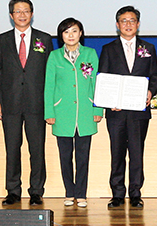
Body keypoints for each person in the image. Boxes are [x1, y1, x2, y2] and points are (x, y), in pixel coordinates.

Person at [0, 0, 54, 206]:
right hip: (10, 103)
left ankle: (36, 190)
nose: (22, 15)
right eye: (18, 11)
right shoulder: (1, 40)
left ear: (32, 14)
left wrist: (50, 102)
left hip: (37, 103)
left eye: (26, 11)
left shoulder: (44, 39)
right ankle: (13, 190)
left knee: (37, 149)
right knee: (12, 148)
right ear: (11, 16)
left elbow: (50, 73)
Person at [98, 6, 157, 209]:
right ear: (117, 25)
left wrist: (150, 91)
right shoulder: (108, 49)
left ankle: (135, 193)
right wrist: (109, 100)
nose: (128, 24)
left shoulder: (148, 48)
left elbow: (155, 76)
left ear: (138, 24)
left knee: (136, 153)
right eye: (124, 21)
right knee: (117, 153)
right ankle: (117, 193)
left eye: (132, 20)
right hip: (116, 112)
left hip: (139, 112)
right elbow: (103, 78)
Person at [44, 18, 103, 208]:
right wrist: (49, 111)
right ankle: (69, 192)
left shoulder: (90, 54)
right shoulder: (54, 56)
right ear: (61, 35)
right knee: (65, 156)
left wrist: (98, 108)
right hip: (62, 113)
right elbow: (49, 86)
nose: (71, 35)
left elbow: (96, 83)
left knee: (83, 157)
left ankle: (81, 193)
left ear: (81, 33)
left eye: (74, 31)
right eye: (66, 32)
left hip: (86, 112)